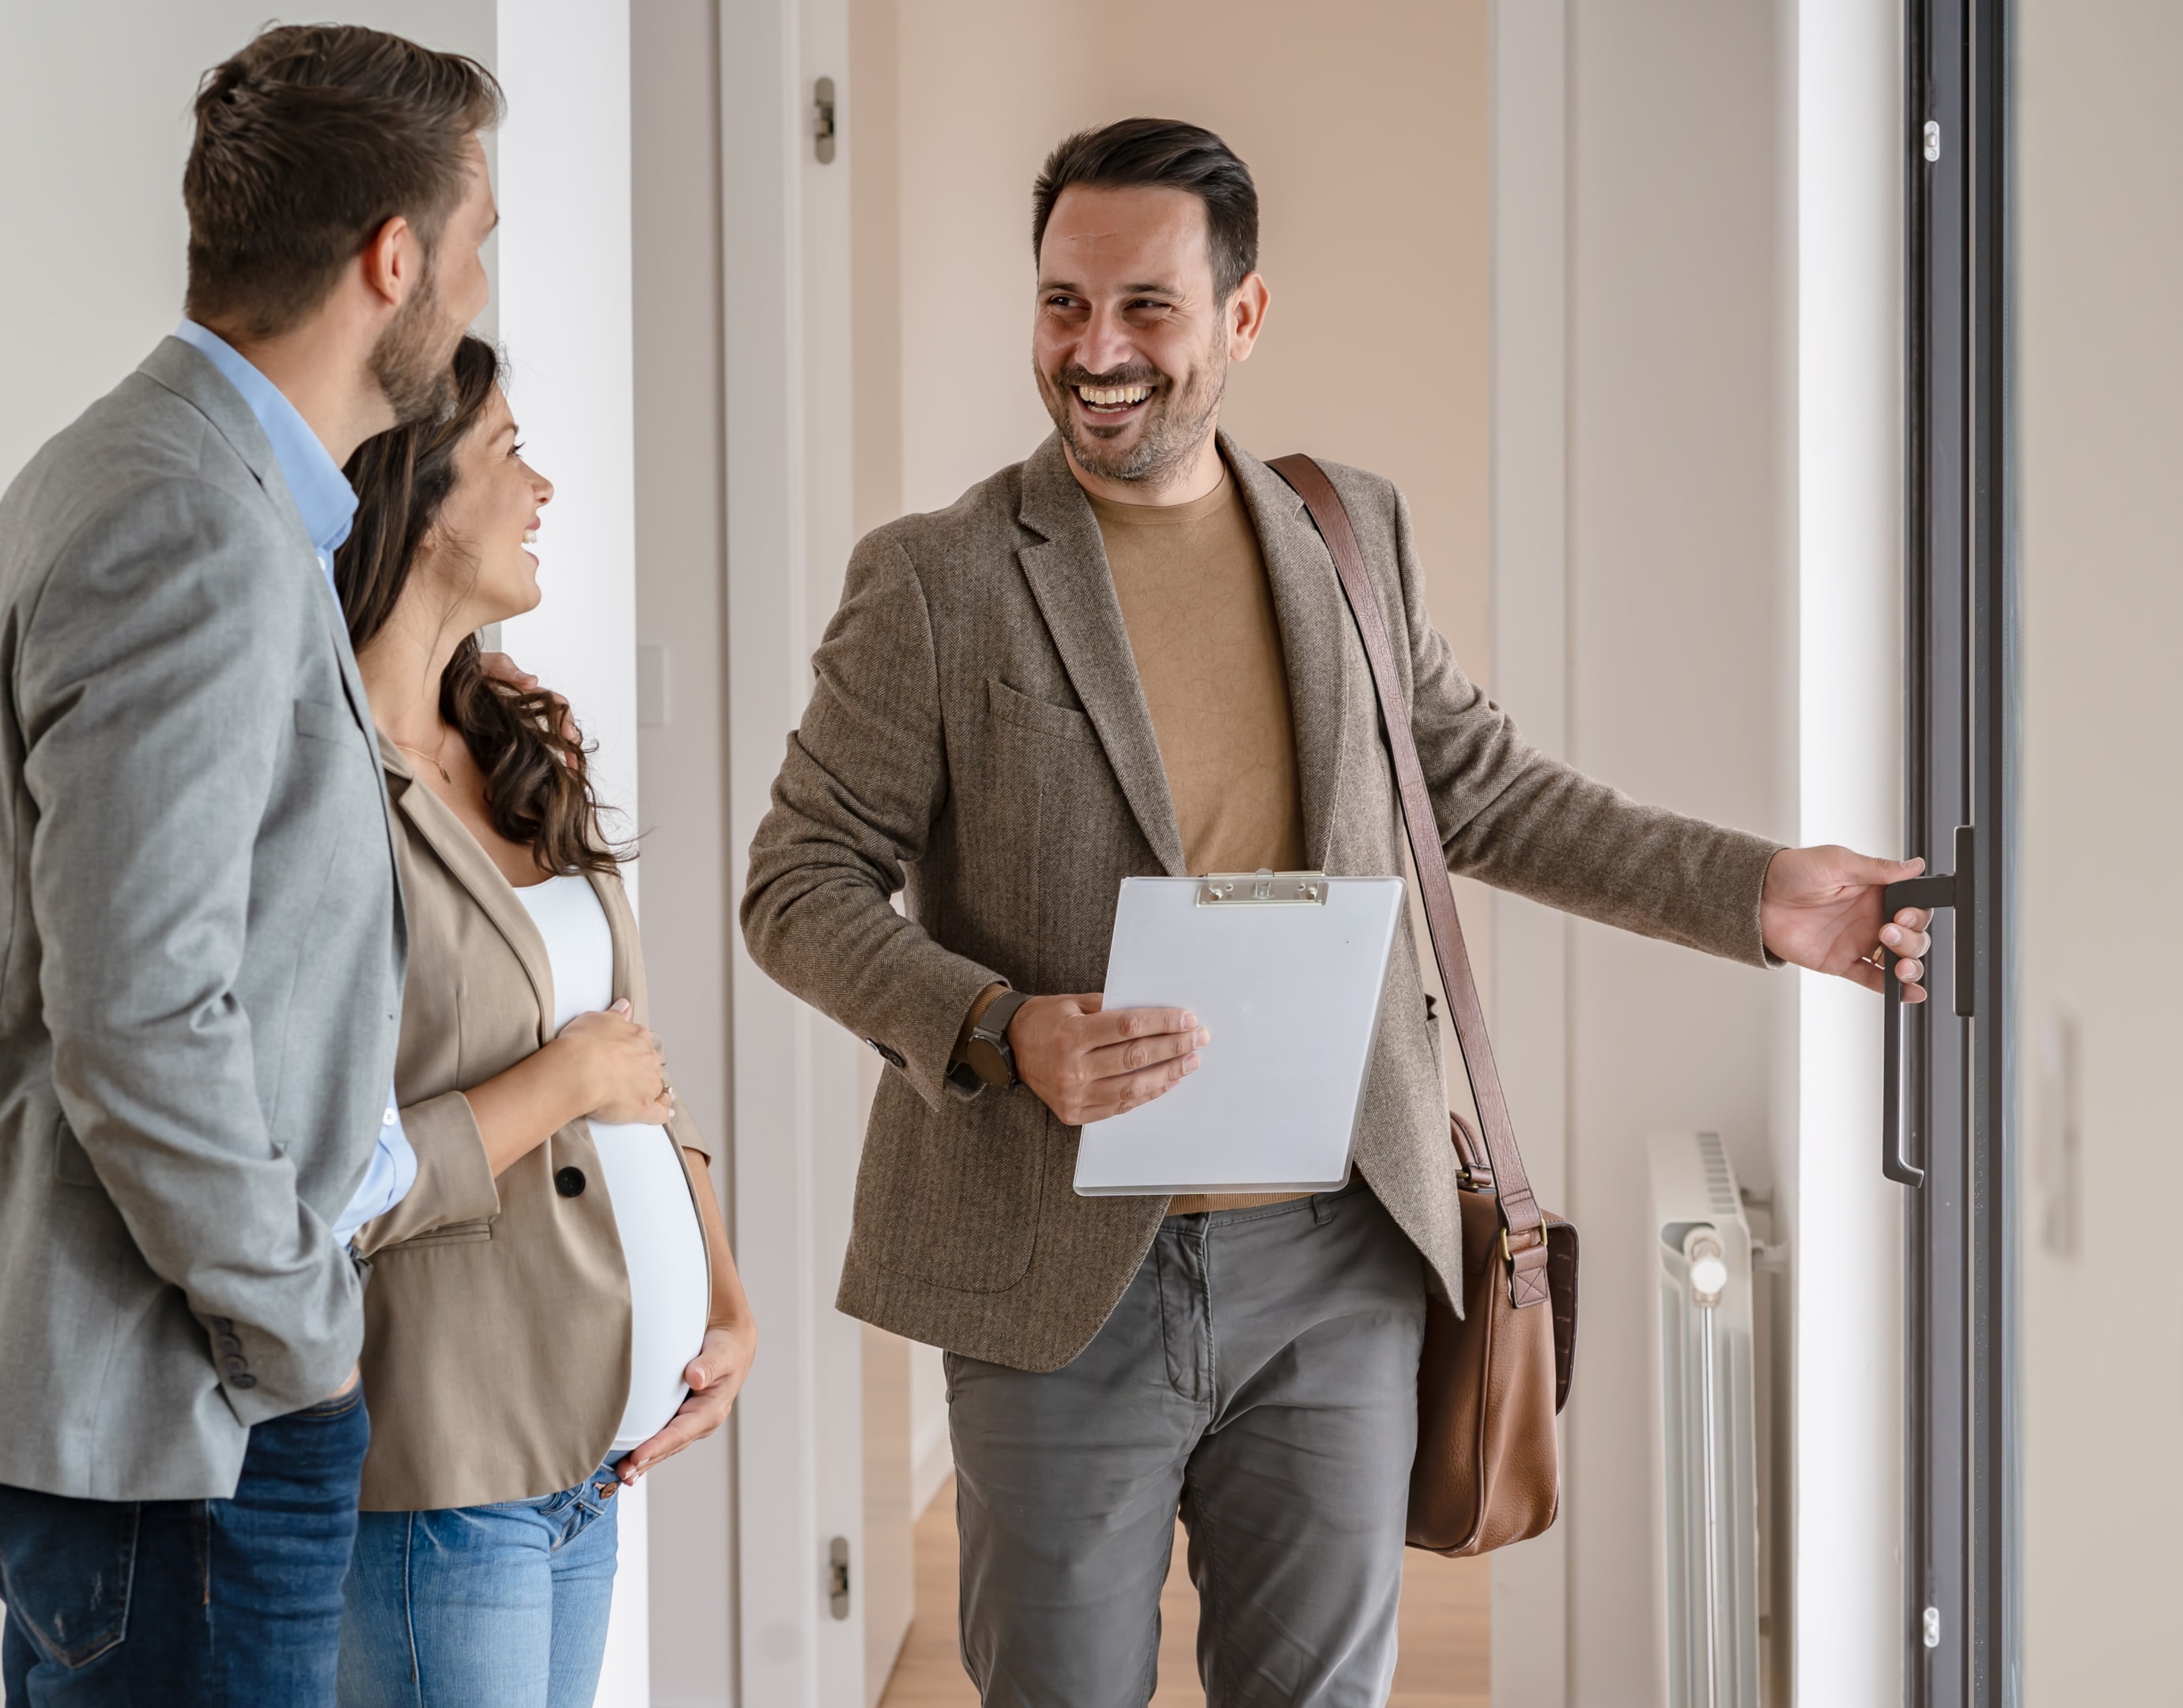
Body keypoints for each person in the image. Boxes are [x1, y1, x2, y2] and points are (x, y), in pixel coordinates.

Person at [741, 118, 1934, 1706]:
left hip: (1338, 1258)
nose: (1096, 352)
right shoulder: (939, 579)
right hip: (1050, 1260)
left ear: (1243, 315)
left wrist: (1758, 894)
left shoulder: (1345, 535)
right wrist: (1000, 1027)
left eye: (1146, 307)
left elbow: (1490, 794)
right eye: (1061, 305)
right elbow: (798, 878)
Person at [0, 26, 500, 1703]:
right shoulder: (186, 518)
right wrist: (299, 1339)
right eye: (475, 240)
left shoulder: (164, 476)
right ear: (394, 258)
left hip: (162, 1410)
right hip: (182, 1420)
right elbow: (138, 1009)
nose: (479, 291)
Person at [324, 334, 756, 1707]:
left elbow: (635, 1056)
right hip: (451, 1473)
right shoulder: (323, 789)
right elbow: (320, 1184)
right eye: (509, 452)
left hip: (592, 1460)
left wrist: (727, 1303)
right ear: (414, 493)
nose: (545, 486)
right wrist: (562, 1082)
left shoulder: (512, 739)